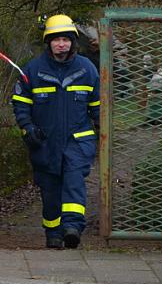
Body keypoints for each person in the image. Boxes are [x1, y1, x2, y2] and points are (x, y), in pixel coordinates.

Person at [11, 14, 101, 249]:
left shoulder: (87, 70)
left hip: (77, 142)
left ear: (73, 42)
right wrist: (28, 129)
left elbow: (98, 107)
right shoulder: (32, 70)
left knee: (74, 182)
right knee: (49, 190)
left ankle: (72, 227)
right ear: (48, 42)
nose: (62, 44)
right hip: (44, 142)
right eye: (56, 39)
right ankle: (53, 233)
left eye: (66, 39)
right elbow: (21, 105)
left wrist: (103, 132)